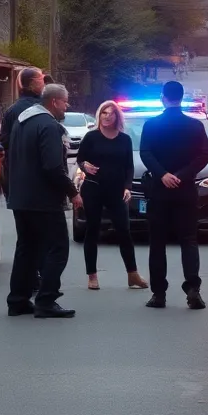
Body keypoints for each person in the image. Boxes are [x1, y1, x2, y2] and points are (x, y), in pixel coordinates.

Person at [6, 83, 82, 319]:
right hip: (43, 199)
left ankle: (18, 300)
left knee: (27, 248)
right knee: (57, 247)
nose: (66, 106)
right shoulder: (49, 125)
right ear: (54, 102)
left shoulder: (22, 121)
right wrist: (72, 191)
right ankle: (47, 299)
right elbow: (52, 166)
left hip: (20, 197)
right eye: (65, 102)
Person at [139, 80, 208, 310]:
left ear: (163, 97)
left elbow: (146, 153)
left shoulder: (151, 125)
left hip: (159, 192)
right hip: (186, 190)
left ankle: (158, 294)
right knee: (188, 241)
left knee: (157, 243)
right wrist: (182, 175)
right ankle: (192, 289)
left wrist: (163, 175)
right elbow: (205, 155)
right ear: (182, 97)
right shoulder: (195, 126)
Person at [76, 101, 147, 291]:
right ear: (99, 116)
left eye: (111, 113)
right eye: (104, 113)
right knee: (93, 230)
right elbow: (80, 159)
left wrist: (127, 187)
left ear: (117, 117)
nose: (107, 116)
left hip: (116, 190)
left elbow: (129, 166)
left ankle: (132, 274)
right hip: (93, 188)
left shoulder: (124, 139)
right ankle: (92, 275)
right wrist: (85, 166)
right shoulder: (91, 137)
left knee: (124, 231)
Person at [0, 67, 44, 201]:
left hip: (17, 181)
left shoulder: (11, 111)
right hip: (43, 182)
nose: (44, 83)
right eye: (41, 79)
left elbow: (4, 145)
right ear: (32, 83)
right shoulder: (45, 108)